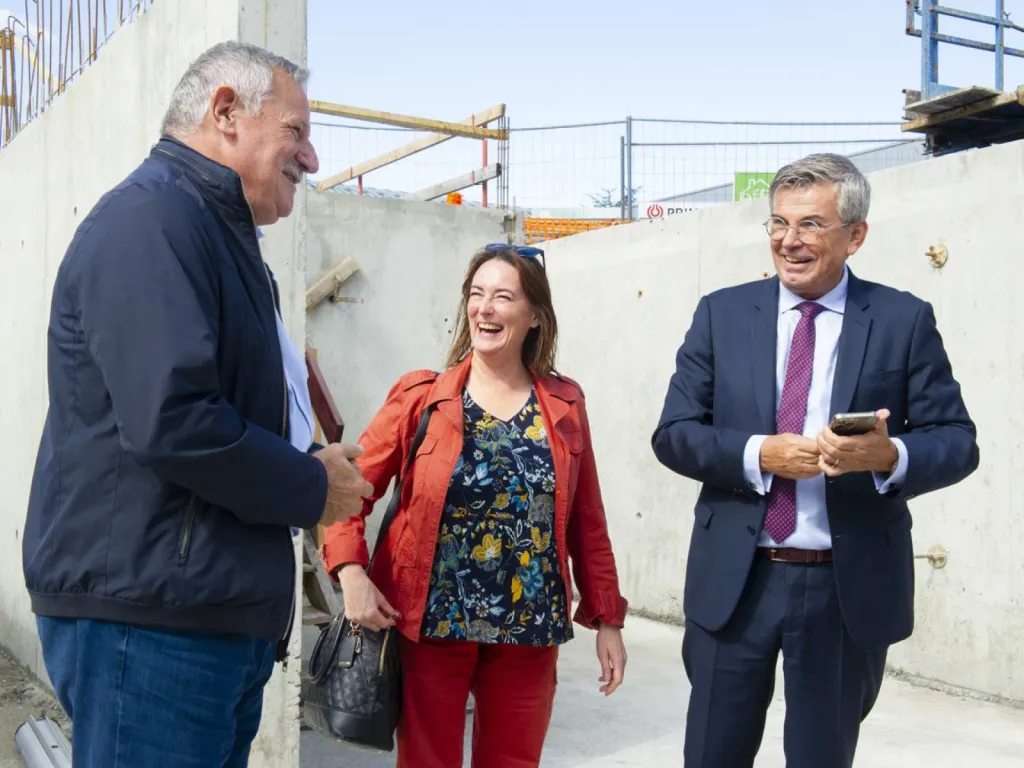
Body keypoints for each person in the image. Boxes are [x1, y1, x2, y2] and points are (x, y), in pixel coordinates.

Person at [22, 41, 373, 767]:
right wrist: (313, 487)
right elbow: (176, 422)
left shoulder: (214, 237)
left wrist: (308, 463)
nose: (310, 159)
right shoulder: (153, 223)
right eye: (296, 133)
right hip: (152, 628)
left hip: (200, 620)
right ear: (225, 113)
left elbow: (216, 417)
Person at [652, 153, 979, 768]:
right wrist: (759, 453)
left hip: (843, 588)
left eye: (810, 225)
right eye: (778, 223)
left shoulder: (902, 320)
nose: (788, 241)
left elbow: (958, 441)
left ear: (855, 235)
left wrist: (890, 455)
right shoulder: (721, 315)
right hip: (737, 583)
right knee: (711, 755)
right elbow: (673, 434)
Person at [322, 244, 629, 768]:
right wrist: (351, 573)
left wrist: (608, 620)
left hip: (530, 626)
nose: (484, 308)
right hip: (432, 622)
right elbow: (346, 489)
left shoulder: (563, 402)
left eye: (503, 296)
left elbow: (587, 518)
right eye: (476, 294)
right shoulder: (422, 397)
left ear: (534, 316)